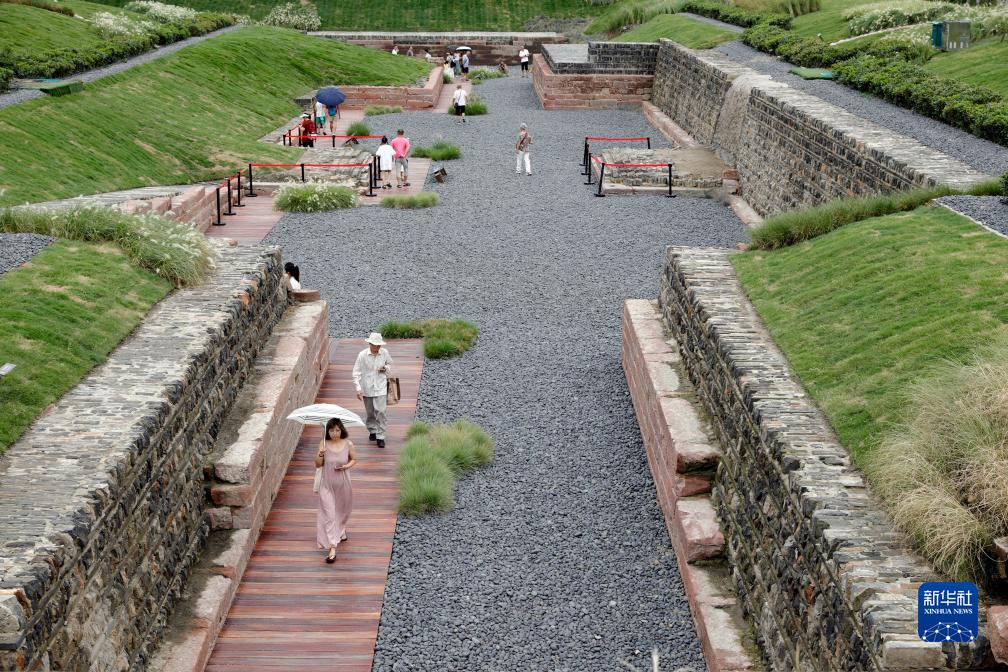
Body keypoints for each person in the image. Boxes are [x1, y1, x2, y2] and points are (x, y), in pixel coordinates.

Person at [316, 417, 355, 563]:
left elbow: (354, 459)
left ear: (341, 430)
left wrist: (346, 466)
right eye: (331, 430)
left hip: (343, 484)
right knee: (329, 515)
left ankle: (342, 529)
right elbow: (317, 465)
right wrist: (321, 453)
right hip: (327, 485)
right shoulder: (323, 444)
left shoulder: (348, 444)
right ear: (328, 431)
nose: (334, 433)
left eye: (337, 430)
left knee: (343, 511)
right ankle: (332, 547)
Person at [352, 332, 393, 449]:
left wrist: (385, 368)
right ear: (369, 344)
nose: (377, 347)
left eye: (379, 345)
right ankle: (372, 430)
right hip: (367, 388)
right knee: (370, 412)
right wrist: (358, 388)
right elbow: (356, 372)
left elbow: (390, 363)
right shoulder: (362, 355)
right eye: (375, 345)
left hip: (381, 386)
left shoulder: (384, 353)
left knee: (381, 411)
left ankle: (380, 436)